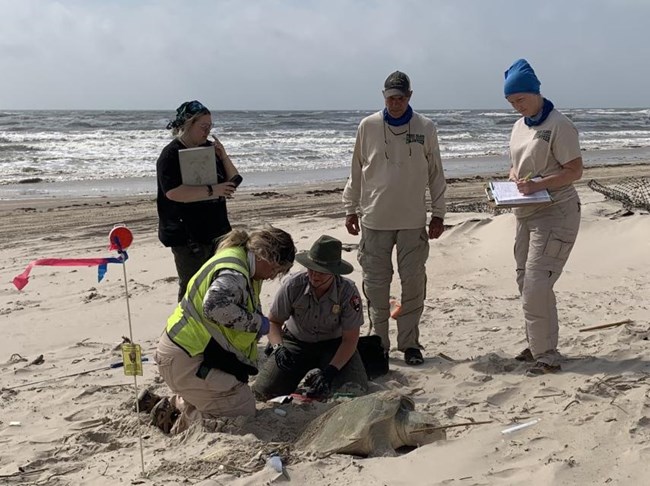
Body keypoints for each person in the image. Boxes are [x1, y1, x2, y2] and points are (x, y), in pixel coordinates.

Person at [141, 227, 296, 434]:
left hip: (186, 353)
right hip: (189, 357)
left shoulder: (240, 259)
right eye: (275, 270)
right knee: (242, 412)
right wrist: (259, 324)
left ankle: (173, 402)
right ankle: (175, 420)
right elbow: (215, 306)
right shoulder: (235, 272)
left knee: (236, 395)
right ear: (265, 257)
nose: (272, 277)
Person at [342, 71, 447, 366]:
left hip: (413, 222)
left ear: (410, 96)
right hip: (374, 220)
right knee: (376, 287)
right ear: (383, 96)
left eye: (401, 98)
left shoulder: (425, 127)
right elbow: (356, 170)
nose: (396, 103)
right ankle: (380, 344)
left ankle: (410, 343)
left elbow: (436, 174)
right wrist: (350, 208)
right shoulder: (369, 126)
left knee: (413, 283)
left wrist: (438, 214)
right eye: (391, 98)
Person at [503, 59, 583, 376]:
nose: (516, 107)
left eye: (520, 99)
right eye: (511, 102)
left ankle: (547, 354)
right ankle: (537, 345)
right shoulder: (519, 125)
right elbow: (517, 165)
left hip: (556, 212)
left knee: (538, 283)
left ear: (535, 92)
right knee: (525, 280)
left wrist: (539, 184)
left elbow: (574, 171)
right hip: (526, 212)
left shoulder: (559, 126)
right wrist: (512, 179)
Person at [251, 235, 368, 400]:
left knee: (353, 392)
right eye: (311, 269)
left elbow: (350, 339)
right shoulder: (293, 285)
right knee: (264, 391)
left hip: (334, 345)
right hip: (296, 343)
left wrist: (331, 371)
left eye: (321, 272)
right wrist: (278, 348)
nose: (314, 275)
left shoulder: (347, 292)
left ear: (334, 272)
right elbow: (274, 321)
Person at [157, 100, 240, 301]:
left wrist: (223, 156)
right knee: (192, 289)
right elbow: (173, 193)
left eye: (210, 127)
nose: (207, 131)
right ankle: (184, 330)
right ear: (188, 124)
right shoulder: (170, 154)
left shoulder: (209, 150)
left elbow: (234, 181)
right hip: (187, 236)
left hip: (217, 231)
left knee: (218, 285)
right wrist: (213, 190)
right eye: (203, 126)